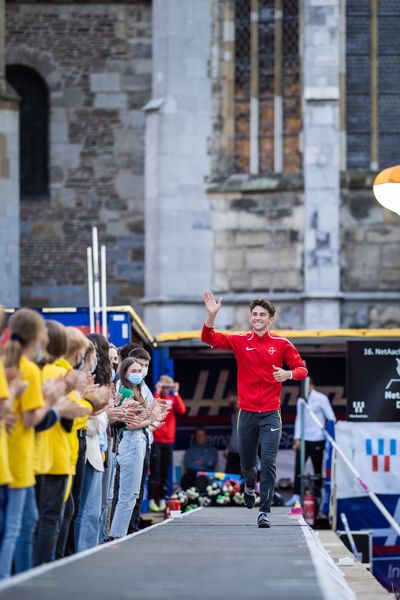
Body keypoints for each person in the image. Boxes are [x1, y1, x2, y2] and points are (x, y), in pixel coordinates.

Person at [201, 292, 308, 529]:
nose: (258, 318)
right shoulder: (241, 341)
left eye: (262, 315)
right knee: (248, 463)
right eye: (255, 315)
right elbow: (208, 338)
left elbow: (302, 369)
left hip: (271, 413)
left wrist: (288, 374)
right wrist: (211, 316)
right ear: (251, 318)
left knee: (268, 462)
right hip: (247, 413)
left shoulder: (282, 344)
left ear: (271, 319)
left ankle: (265, 512)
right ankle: (249, 485)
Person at [285, 379, 336, 507]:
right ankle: (296, 496)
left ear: (312, 385)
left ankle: (318, 496)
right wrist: (297, 438)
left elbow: (331, 418)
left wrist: (326, 434)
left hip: (318, 438)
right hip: (303, 439)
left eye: (306, 385)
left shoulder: (321, 398)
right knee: (298, 467)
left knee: (317, 468)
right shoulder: (300, 400)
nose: (304, 388)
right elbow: (298, 419)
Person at [148, 375, 186, 512]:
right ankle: (151, 500)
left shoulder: (172, 399)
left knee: (165, 473)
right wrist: (157, 391)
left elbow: (182, 410)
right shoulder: (156, 397)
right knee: (155, 472)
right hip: (156, 440)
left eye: (168, 387)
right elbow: (153, 408)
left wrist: (176, 392)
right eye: (164, 387)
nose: (166, 390)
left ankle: (163, 499)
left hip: (169, 441)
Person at [224, 391, 241, 475]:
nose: (227, 400)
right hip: (233, 452)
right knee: (230, 480)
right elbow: (234, 432)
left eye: (229, 397)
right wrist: (228, 447)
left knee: (247, 479)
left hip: (245, 451)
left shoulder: (247, 413)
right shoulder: (234, 413)